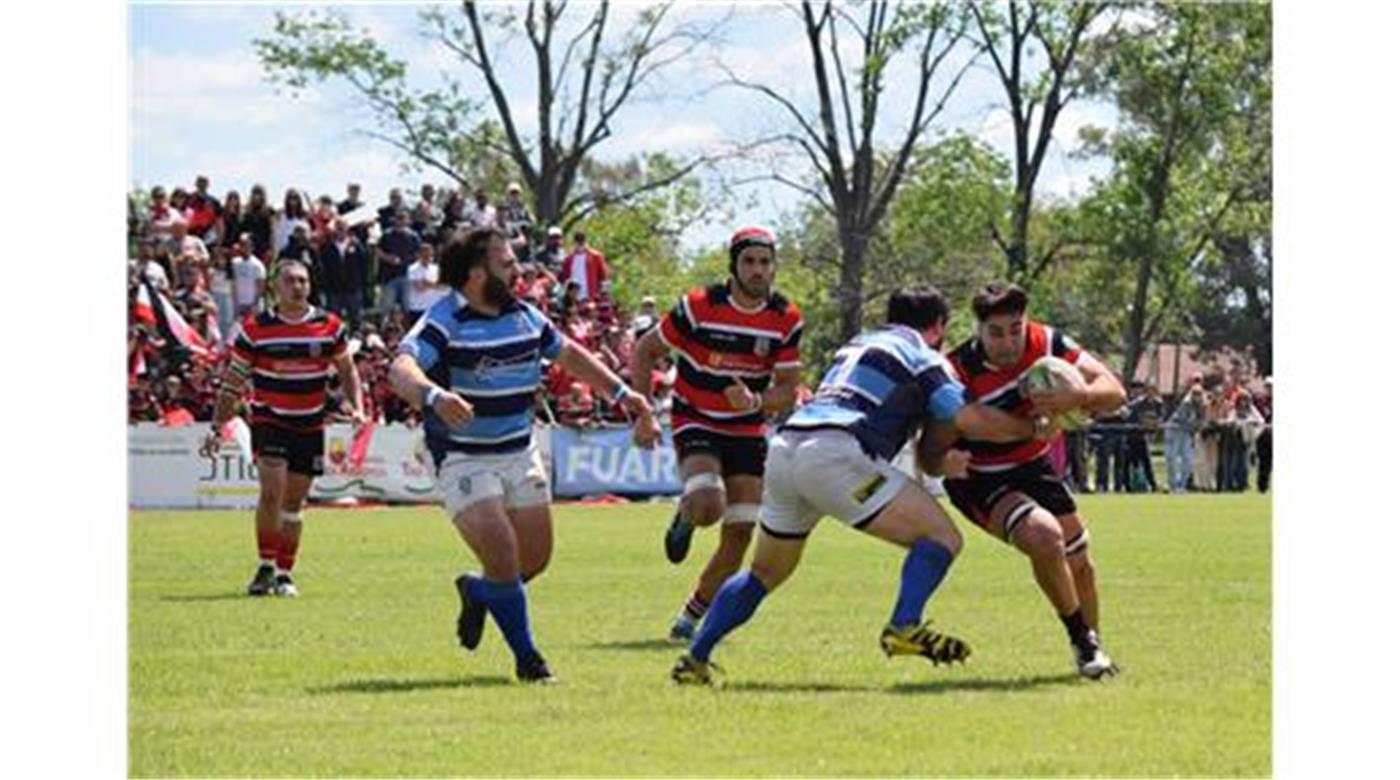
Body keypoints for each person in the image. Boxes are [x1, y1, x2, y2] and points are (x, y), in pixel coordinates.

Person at [667, 286, 1040, 686]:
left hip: (786, 449)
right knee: (942, 537)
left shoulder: (859, 343)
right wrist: (1034, 428)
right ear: (939, 327)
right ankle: (904, 626)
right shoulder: (923, 355)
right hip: (836, 454)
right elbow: (970, 419)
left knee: (764, 572)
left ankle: (696, 658)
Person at [387, 226, 653, 684]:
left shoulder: (527, 317)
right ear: (476, 274)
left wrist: (624, 393)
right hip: (463, 456)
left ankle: (480, 591)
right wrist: (433, 396)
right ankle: (529, 659)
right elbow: (400, 368)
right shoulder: (444, 320)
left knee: (534, 559)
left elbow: (571, 356)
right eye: (507, 263)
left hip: (518, 450)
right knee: (505, 555)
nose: (519, 269)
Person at [943, 282, 1126, 679]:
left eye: (1015, 328)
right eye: (996, 332)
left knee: (1082, 566)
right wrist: (1033, 427)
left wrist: (1076, 398)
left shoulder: (1047, 343)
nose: (1008, 342)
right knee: (1045, 537)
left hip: (1033, 466)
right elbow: (960, 429)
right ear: (978, 329)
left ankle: (1093, 654)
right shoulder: (955, 369)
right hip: (979, 477)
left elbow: (1114, 392)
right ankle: (1083, 640)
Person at [631, 226, 804, 643]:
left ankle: (689, 619)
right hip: (697, 417)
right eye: (749, 262)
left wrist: (758, 402)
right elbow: (644, 350)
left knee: (741, 531)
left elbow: (788, 390)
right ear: (734, 265)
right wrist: (642, 411)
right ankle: (689, 512)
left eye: (765, 262)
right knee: (709, 504)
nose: (759, 270)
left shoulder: (786, 317)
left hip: (746, 428)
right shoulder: (698, 305)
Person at [201, 259, 365, 597]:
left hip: (310, 423)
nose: (298, 286)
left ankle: (285, 573)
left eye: (303, 280)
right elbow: (233, 383)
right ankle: (264, 566)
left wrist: (358, 406)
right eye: (290, 280)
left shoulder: (330, 326)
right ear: (275, 286)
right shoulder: (255, 328)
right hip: (270, 419)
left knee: (294, 505)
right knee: (272, 491)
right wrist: (217, 426)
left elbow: (348, 371)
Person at [1164, 383, 1206, 493]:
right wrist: (1196, 425)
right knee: (1171, 459)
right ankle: (1172, 485)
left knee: (1188, 461)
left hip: (1186, 433)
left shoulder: (1202, 405)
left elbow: (1200, 422)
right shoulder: (1186, 403)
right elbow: (1185, 421)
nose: (1197, 396)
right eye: (1195, 394)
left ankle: (1181, 485)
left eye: (1199, 394)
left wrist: (1198, 425)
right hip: (1174, 430)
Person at [1124, 383, 1163, 492]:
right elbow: (1129, 419)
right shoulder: (1136, 405)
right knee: (1129, 463)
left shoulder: (1158, 404)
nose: (1151, 393)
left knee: (1146, 462)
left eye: (1153, 391)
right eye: (1148, 391)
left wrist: (1154, 425)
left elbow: (1159, 419)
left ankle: (1153, 485)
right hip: (1132, 436)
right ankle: (1127, 486)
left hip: (1143, 437)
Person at [405, 242, 446, 323]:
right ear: (419, 255)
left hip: (433, 308)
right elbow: (420, 288)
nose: (428, 258)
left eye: (430, 256)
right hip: (418, 308)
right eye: (425, 256)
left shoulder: (436, 269)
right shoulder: (412, 269)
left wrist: (427, 283)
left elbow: (443, 287)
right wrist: (434, 285)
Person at [229, 233, 267, 319]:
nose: (243, 247)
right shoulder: (234, 263)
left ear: (252, 247)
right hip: (239, 305)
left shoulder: (257, 265)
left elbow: (261, 287)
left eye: (246, 245)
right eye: (241, 244)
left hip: (253, 306)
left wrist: (254, 305)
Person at [1254, 378, 1272, 493]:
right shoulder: (1260, 401)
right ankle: (1262, 486)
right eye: (1268, 387)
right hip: (1262, 433)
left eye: (1271, 387)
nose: (1270, 389)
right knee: (1263, 461)